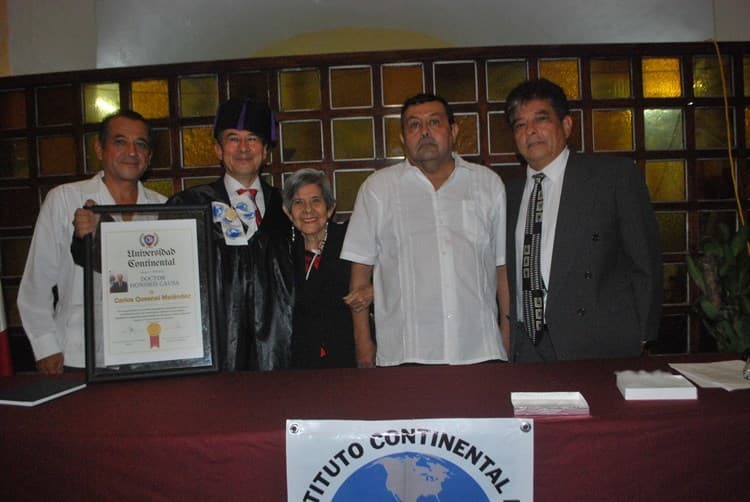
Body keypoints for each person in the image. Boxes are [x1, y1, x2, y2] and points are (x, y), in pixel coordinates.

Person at [341, 93, 510, 368]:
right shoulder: (378, 189)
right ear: (403, 137)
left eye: (434, 122)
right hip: (406, 353)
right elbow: (360, 273)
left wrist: (506, 336)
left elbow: (501, 267)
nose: (425, 132)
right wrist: (364, 348)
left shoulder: (488, 184)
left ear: (453, 131)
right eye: (414, 125)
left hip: (480, 349)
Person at [504, 78, 662, 362]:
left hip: (598, 341)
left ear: (566, 125)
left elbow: (645, 259)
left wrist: (641, 334)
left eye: (541, 119)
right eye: (520, 124)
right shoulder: (508, 193)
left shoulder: (611, 177)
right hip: (527, 346)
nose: (531, 131)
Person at [17, 109, 167, 374]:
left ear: (149, 157)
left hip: (146, 353)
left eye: (140, 144)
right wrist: (45, 347)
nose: (132, 152)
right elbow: (36, 283)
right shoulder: (64, 199)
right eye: (120, 142)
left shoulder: (163, 208)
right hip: (77, 353)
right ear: (99, 148)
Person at [166, 98, 293, 371]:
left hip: (278, 350)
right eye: (233, 139)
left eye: (253, 139)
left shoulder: (287, 208)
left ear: (266, 151)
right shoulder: (191, 206)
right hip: (213, 347)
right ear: (218, 150)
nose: (244, 148)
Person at [281, 168, 372, 369]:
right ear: (288, 213)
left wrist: (372, 290)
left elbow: (389, 274)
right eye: (298, 203)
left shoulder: (350, 239)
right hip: (300, 363)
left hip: (350, 357)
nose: (308, 210)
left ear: (330, 208)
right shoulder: (282, 252)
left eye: (316, 201)